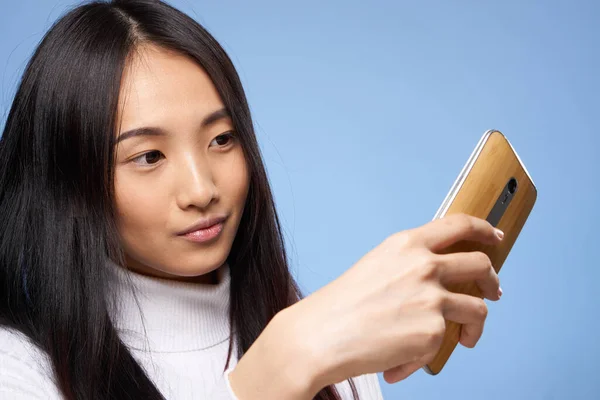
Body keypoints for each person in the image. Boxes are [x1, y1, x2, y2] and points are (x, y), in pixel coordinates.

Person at [0, 1, 503, 399]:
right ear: (66, 180)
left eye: (222, 139)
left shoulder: (321, 338)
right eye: (149, 156)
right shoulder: (17, 369)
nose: (202, 190)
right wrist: (282, 367)